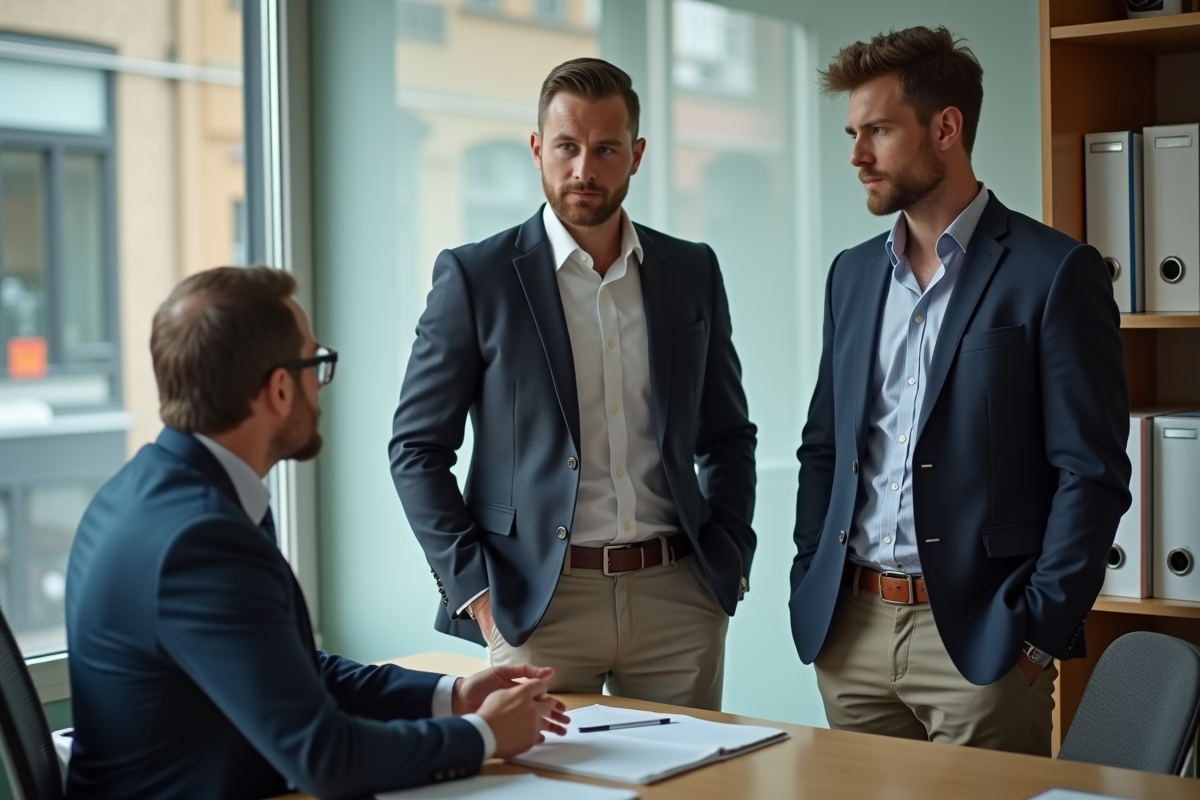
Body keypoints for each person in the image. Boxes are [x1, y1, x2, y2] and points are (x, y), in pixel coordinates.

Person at [65, 266, 567, 800]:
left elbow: (291, 670)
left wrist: (454, 695)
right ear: (280, 388)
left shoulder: (149, 490)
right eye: (316, 363)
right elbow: (326, 759)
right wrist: (485, 735)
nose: (320, 386)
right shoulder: (202, 538)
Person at [789, 26, 1131, 755]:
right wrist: (808, 575)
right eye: (853, 133)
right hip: (850, 634)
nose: (856, 156)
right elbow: (825, 446)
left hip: (980, 643)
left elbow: (1092, 473)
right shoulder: (851, 275)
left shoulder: (1055, 272)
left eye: (877, 131)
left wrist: (1036, 633)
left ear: (946, 127)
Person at [389, 58, 756, 711]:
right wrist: (475, 592)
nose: (584, 169)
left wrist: (728, 551)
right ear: (538, 149)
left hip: (677, 597)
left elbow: (726, 434)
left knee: (692, 783)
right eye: (566, 147)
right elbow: (416, 449)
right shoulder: (478, 277)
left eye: (606, 149)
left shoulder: (691, 270)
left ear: (636, 155)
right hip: (538, 604)